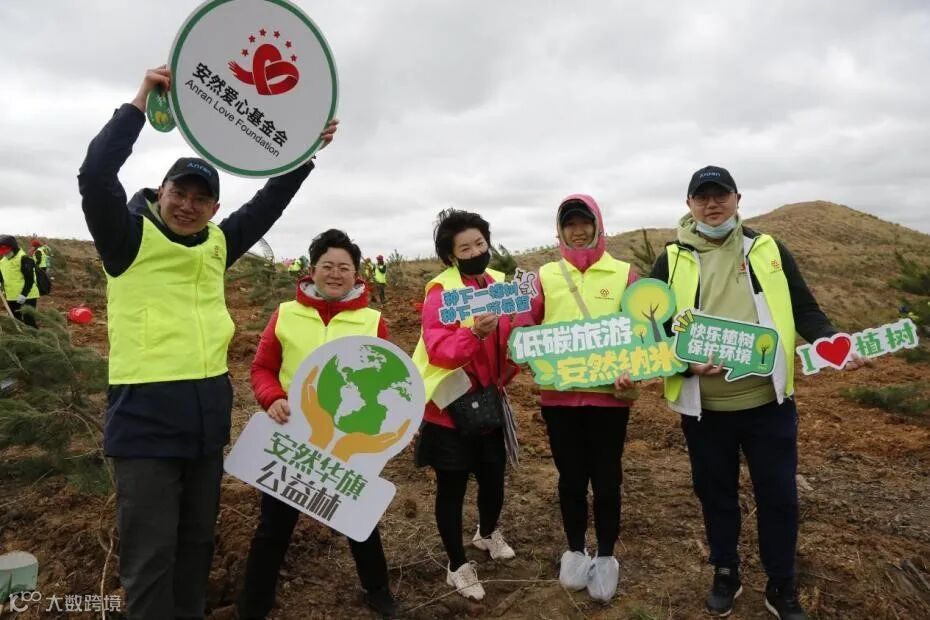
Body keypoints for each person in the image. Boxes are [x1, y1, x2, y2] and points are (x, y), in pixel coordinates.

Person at [76, 65, 338, 620]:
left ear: (214, 208)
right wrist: (139, 103)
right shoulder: (125, 239)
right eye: (180, 192)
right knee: (150, 559)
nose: (188, 205)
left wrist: (305, 152)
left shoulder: (217, 244)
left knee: (196, 545)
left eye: (202, 198)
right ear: (161, 192)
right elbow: (96, 174)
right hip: (145, 420)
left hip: (205, 418)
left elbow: (268, 203)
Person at [650, 166, 868, 620]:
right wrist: (682, 363)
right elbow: (651, 331)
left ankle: (781, 584)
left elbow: (804, 308)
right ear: (689, 204)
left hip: (769, 403)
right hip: (705, 408)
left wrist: (831, 341)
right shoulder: (670, 260)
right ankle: (725, 571)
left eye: (721, 195)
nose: (712, 204)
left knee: (779, 497)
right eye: (702, 197)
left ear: (737, 198)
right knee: (716, 496)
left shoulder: (767, 249)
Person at [238, 229, 398, 619]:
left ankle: (378, 590)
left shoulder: (372, 321)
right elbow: (262, 368)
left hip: (348, 439)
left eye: (344, 267)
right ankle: (253, 603)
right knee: (274, 525)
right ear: (312, 270)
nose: (335, 274)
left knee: (358, 517)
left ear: (356, 273)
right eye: (328, 266)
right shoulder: (286, 314)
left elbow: (391, 381)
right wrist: (272, 398)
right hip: (293, 437)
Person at [514, 195, 638, 602]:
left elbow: (643, 332)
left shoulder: (624, 274)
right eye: (570, 224)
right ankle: (574, 550)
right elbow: (524, 326)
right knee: (570, 479)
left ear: (598, 225)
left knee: (606, 480)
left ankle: (606, 556)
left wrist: (633, 370)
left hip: (609, 400)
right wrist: (523, 344)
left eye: (585, 222)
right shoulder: (545, 276)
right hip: (560, 400)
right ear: (560, 230)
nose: (578, 230)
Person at [412, 209, 519, 601]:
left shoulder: (500, 286)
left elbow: (513, 335)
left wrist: (517, 355)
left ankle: (486, 533)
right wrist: (474, 333)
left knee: (493, 477)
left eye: (480, 243)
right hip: (449, 407)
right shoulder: (441, 293)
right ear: (451, 256)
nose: (476, 252)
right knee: (452, 487)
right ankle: (457, 565)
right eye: (465, 248)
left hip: (488, 402)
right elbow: (438, 349)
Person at [0, 235, 40, 328]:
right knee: (15, 320)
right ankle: (20, 336)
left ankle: (33, 336)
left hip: (28, 296)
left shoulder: (24, 259)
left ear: (13, 248)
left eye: (6, 251)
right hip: (11, 295)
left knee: (29, 321)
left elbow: (30, 279)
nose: (4, 254)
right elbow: (2, 274)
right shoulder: (3, 261)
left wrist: (24, 294)